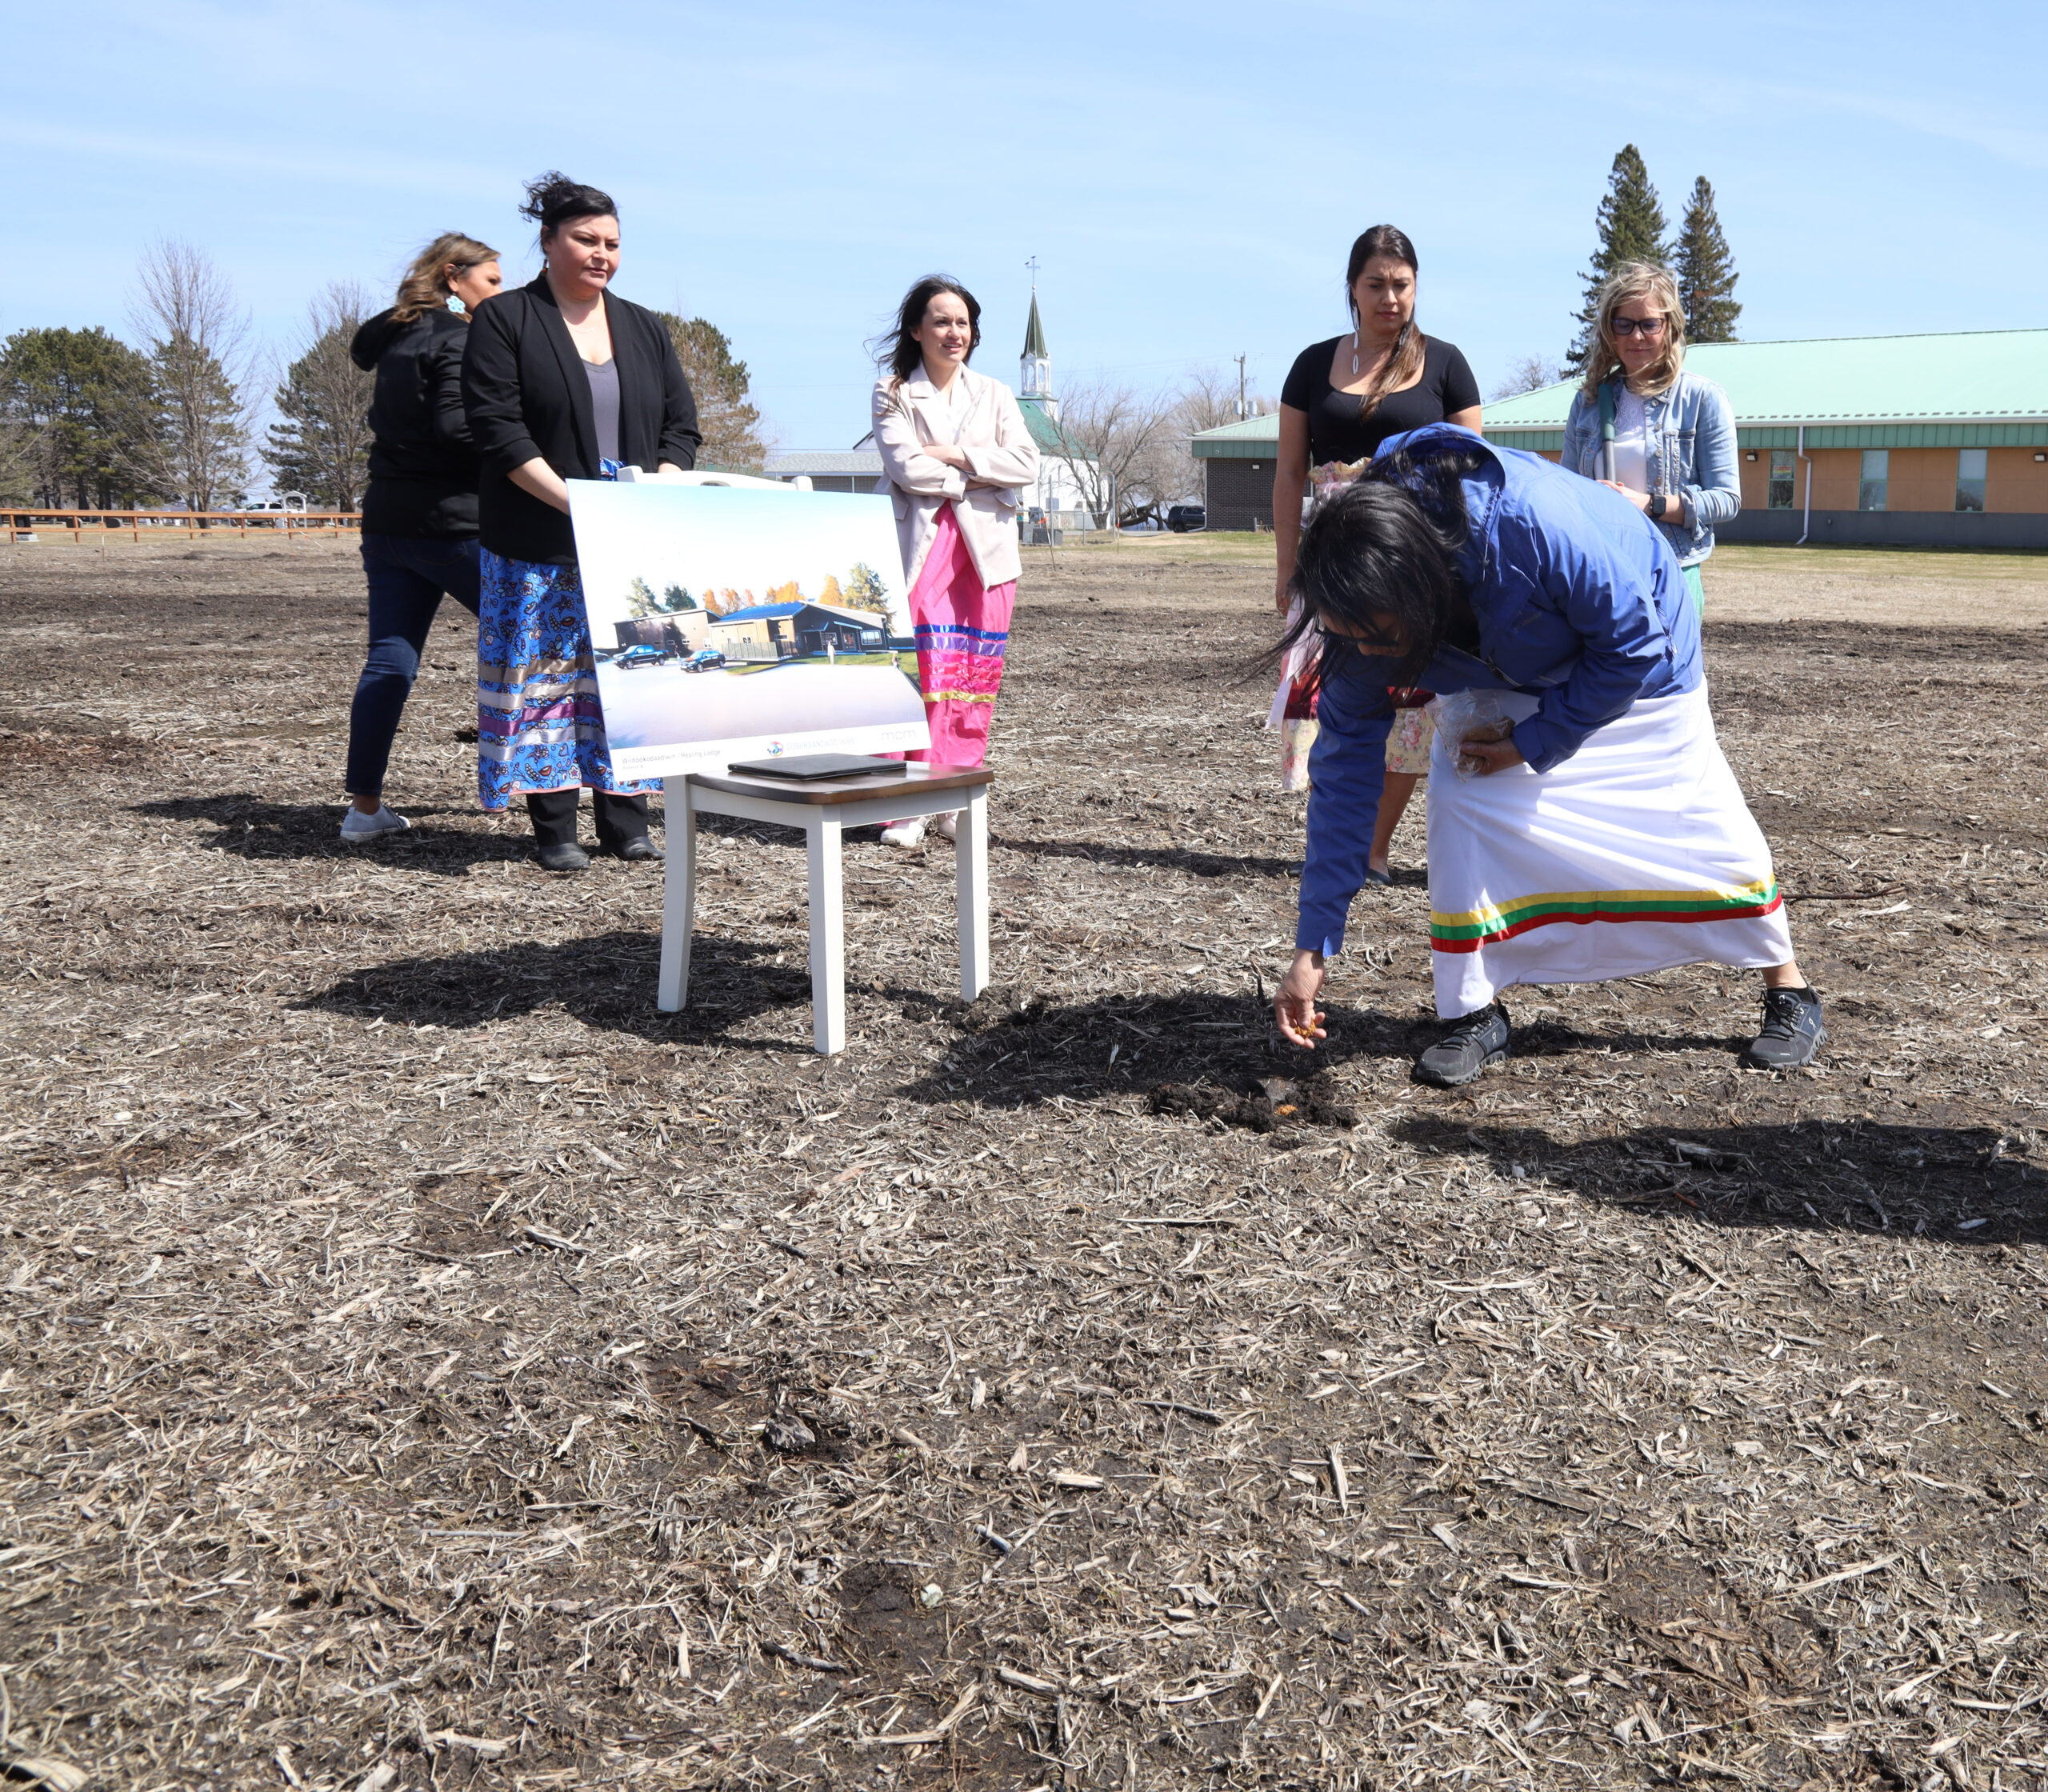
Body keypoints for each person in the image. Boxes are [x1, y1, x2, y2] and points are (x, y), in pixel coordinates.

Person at [1273, 424, 1824, 1084]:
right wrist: (1314, 945)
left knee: (1697, 816)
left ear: (1420, 587)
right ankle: (1473, 1011)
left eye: (1377, 638)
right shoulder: (1361, 607)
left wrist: (1531, 744)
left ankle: (1788, 988)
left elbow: (1630, 648)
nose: (1363, 654)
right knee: (1462, 799)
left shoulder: (1536, 524)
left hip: (1638, 659)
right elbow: (1343, 775)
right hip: (1503, 664)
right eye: (1346, 637)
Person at [461, 171, 700, 870]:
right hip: (537, 536)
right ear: (547, 241)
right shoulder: (507, 320)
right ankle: (555, 826)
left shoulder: (643, 326)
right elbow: (500, 433)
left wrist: (655, 490)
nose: (602, 254)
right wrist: (581, 505)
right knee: (548, 678)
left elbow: (680, 427)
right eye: (586, 239)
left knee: (630, 672)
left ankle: (627, 819)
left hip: (629, 538)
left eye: (613, 243)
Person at [1271, 226, 1482, 883]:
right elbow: (1286, 473)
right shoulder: (1312, 364)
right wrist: (1286, 569)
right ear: (1353, 290)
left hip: (1417, 560)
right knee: (1328, 701)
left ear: (1416, 288)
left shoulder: (1446, 363)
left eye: (1402, 285)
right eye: (1375, 285)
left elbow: (1476, 473)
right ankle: (1335, 836)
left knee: (1411, 708)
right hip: (1334, 561)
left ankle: (1375, 846)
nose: (1390, 297)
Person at [339, 232, 502, 841]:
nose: (499, 293)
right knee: (533, 646)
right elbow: (459, 431)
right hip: (455, 524)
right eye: (491, 281)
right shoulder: (458, 340)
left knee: (390, 660)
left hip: (386, 523)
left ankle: (363, 810)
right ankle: (530, 788)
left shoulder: (399, 337)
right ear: (454, 277)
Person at [869, 275, 1038, 849]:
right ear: (916, 330)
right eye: (941, 321)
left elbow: (1026, 463)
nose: (953, 332)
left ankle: (952, 795)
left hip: (986, 555)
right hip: (922, 549)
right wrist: (974, 475)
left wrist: (954, 456)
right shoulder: (892, 392)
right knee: (924, 671)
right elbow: (906, 468)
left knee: (971, 677)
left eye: (962, 322)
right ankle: (905, 804)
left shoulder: (994, 393)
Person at [1558, 262, 1738, 619]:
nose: (1636, 336)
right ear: (1610, 331)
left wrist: (1649, 504)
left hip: (1670, 571)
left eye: (1649, 324)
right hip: (1601, 573)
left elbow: (1727, 500)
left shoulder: (1702, 399)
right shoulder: (1590, 401)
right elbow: (1567, 493)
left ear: (1670, 328)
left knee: (1672, 676)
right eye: (1623, 324)